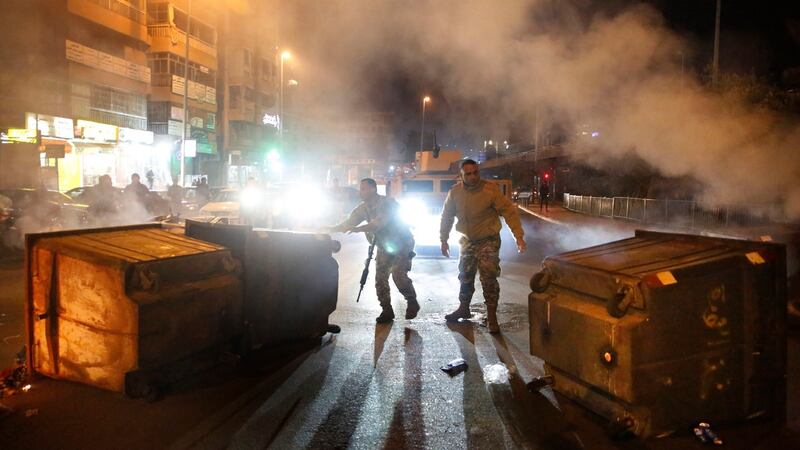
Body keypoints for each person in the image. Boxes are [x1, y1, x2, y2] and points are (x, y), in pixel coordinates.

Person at [439, 159, 526, 333]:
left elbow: (509, 211)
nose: (473, 177)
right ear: (461, 176)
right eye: (468, 174)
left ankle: (492, 316)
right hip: (466, 240)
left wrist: (519, 236)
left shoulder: (490, 190)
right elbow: (446, 216)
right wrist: (443, 239)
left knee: (488, 277)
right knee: (465, 275)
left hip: (488, 239)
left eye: (475, 172)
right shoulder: (455, 193)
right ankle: (464, 307)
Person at [330, 178, 419, 323]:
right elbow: (348, 223)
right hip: (384, 245)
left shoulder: (387, 203)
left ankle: (412, 300)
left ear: (373, 189)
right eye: (361, 189)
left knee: (398, 275)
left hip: (402, 243)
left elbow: (378, 223)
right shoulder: (363, 208)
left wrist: (358, 229)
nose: (361, 192)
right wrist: (329, 228)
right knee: (380, 278)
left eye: (364, 189)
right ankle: (387, 310)